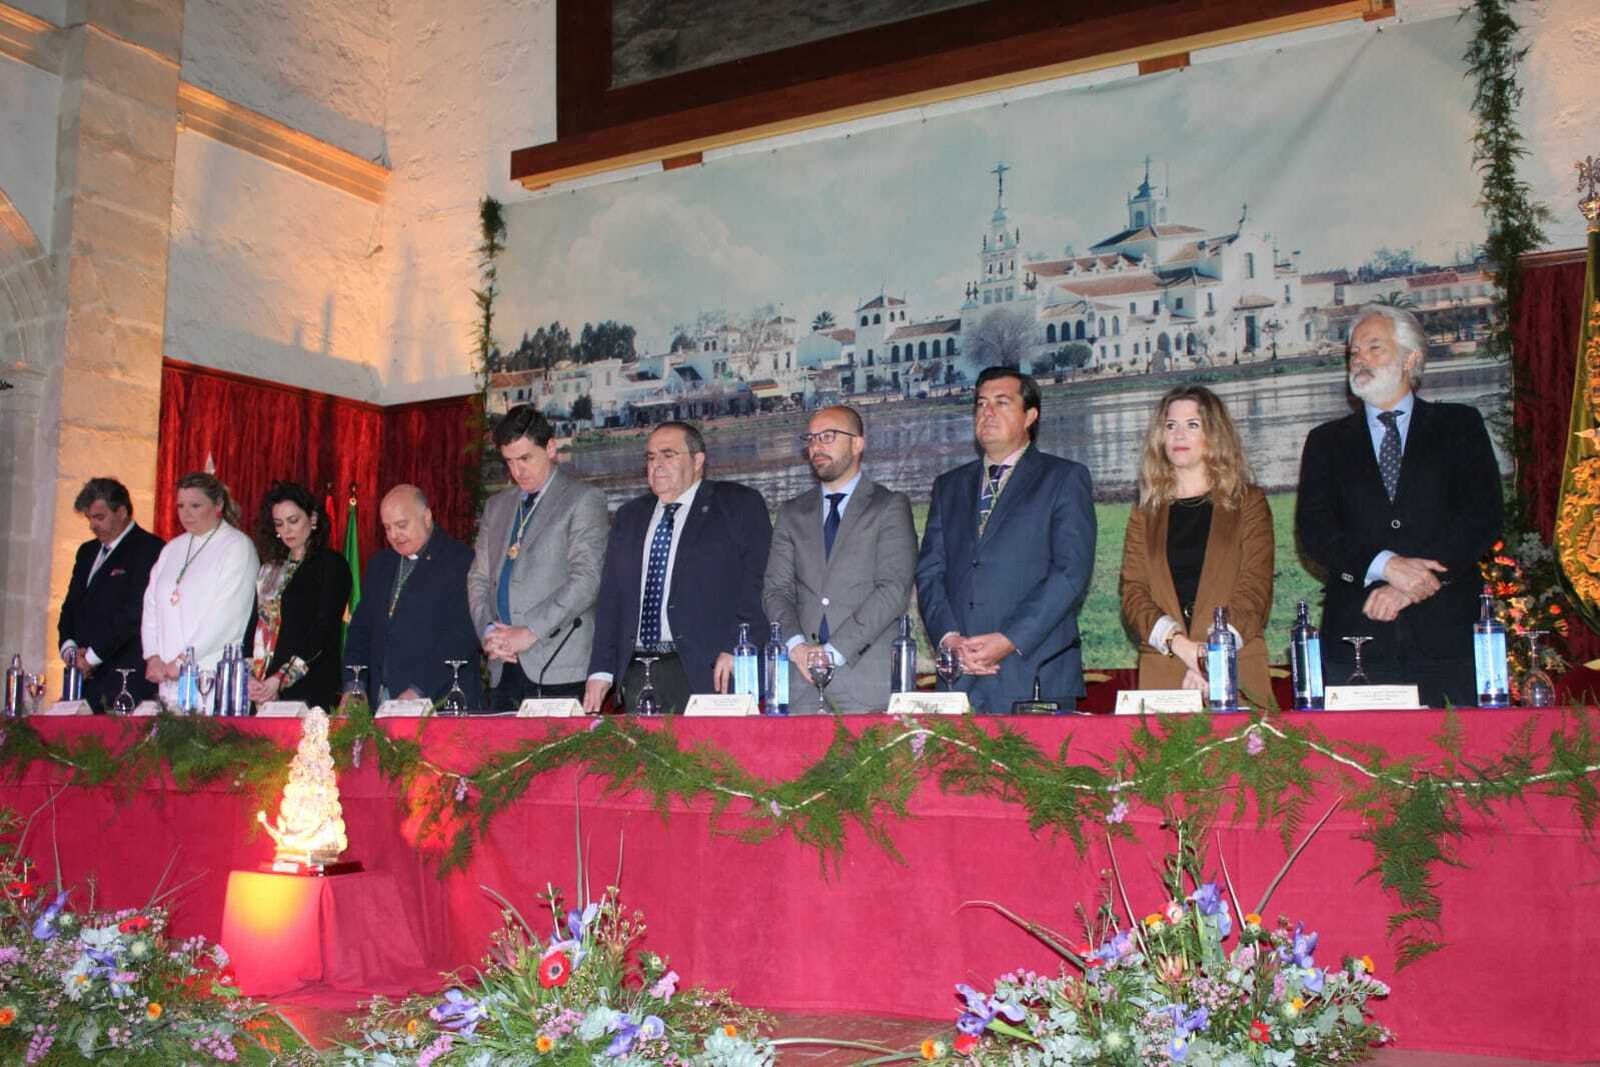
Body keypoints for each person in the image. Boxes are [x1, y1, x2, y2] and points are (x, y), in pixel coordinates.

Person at [1296, 304, 1503, 707]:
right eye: (1354, 352)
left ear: (1411, 358)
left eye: (1374, 347)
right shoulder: (1326, 442)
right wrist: (1386, 565)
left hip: (1449, 638)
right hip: (1358, 635)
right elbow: (1316, 533)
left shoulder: (1459, 426)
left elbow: (1482, 516)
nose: (1359, 359)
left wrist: (1412, 585)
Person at [916, 366, 1096, 712]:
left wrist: (1009, 639)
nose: (988, 412)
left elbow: (1071, 573)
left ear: (1030, 415)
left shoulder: (1063, 478)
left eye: (1002, 402)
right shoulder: (948, 486)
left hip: (1033, 672)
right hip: (959, 674)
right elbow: (929, 573)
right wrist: (949, 639)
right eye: (981, 403)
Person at [584, 422, 772, 714]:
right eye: (650, 457)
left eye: (668, 455)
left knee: (710, 760)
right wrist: (601, 671)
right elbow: (611, 598)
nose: (656, 465)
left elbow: (759, 581)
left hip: (710, 669)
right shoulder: (629, 517)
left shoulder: (737, 505)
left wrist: (739, 646)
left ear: (698, 461)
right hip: (638, 670)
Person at [1120, 385, 1275, 702]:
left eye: (1193, 425)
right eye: (1170, 425)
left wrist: (1211, 658)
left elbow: (1255, 591)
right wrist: (1181, 645)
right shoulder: (1144, 511)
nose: (1179, 435)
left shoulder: (1250, 503)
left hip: (1235, 670)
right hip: (1164, 671)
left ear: (1215, 435)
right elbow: (1133, 593)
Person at [763, 405, 916, 712]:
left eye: (828, 436)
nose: (816, 446)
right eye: (811, 438)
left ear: (858, 443)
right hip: (800, 683)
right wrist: (796, 647)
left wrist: (832, 652)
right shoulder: (792, 513)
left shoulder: (889, 506)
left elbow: (893, 590)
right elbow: (776, 591)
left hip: (867, 682)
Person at [468, 406, 608, 709]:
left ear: (551, 448)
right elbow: (478, 578)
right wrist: (489, 632)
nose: (518, 471)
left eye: (525, 458)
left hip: (558, 663)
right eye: (509, 461)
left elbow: (587, 580)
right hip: (503, 665)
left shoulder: (583, 499)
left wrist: (530, 632)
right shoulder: (497, 506)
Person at [344, 484, 482, 708]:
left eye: (401, 525)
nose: (393, 535)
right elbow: (360, 630)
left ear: (426, 517)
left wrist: (418, 690)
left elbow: (462, 636)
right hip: (382, 700)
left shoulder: (460, 561)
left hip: (440, 700)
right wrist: (354, 686)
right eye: (387, 528)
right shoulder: (380, 564)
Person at [140, 472, 258, 705]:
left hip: (212, 675)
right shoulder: (172, 548)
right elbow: (151, 604)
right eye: (181, 505)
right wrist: (152, 655)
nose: (186, 513)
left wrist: (184, 659)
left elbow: (226, 616)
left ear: (218, 505)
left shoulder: (237, 546)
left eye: (195, 505)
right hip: (169, 675)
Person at [242, 481, 353, 711]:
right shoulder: (269, 569)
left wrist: (280, 678)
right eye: (279, 524)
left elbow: (324, 629)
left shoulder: (332, 564)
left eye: (293, 521)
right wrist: (250, 677)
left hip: (311, 685)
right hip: (264, 689)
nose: (286, 531)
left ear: (312, 519)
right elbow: (255, 624)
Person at [57, 478, 164, 710]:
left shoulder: (149, 548)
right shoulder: (87, 551)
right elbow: (71, 605)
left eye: (99, 517)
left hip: (123, 675)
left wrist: (92, 657)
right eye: (89, 519)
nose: (93, 526)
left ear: (122, 511)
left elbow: (134, 612)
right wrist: (69, 648)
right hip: (82, 677)